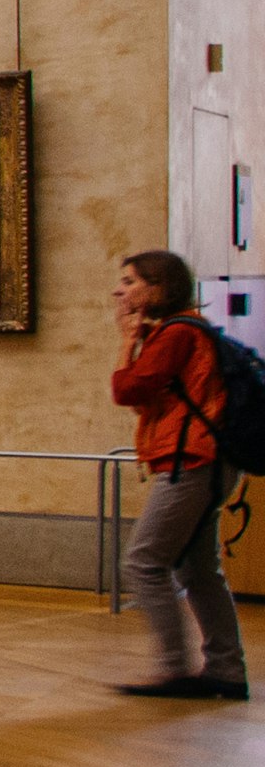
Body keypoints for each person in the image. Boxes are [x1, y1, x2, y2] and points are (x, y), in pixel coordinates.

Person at [108, 248, 249, 699]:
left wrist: (126, 341)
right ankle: (226, 670)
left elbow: (125, 388)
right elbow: (143, 400)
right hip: (203, 462)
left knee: (144, 562)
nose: (120, 290)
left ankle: (175, 669)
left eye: (130, 281)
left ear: (158, 287)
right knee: (199, 571)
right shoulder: (181, 332)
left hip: (193, 462)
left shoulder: (177, 334)